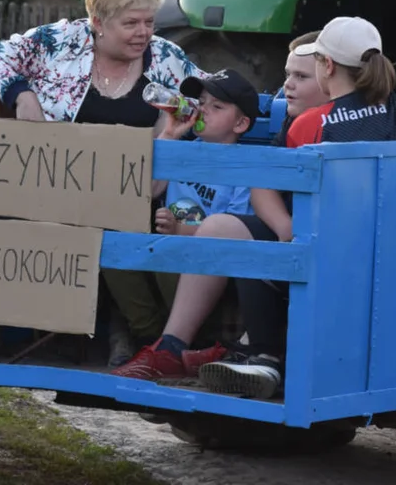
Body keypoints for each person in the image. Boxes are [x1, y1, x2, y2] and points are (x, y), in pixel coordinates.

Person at [196, 16, 396, 400]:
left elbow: (263, 185)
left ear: (327, 66)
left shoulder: (308, 124)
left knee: (255, 251)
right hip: (387, 257)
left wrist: (286, 228)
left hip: (325, 256)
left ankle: (265, 356)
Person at [0, 0, 206, 365]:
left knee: (119, 221)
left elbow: (207, 100)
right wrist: (22, 95)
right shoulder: (60, 42)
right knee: (28, 217)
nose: (144, 33)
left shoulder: (166, 57)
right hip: (54, 184)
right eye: (131, 24)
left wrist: (172, 133)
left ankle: (124, 333)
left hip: (137, 190)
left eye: (149, 22)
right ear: (98, 21)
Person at [111, 31, 330, 381]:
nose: (202, 112)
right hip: (173, 251)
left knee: (176, 247)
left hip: (204, 265)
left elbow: (230, 228)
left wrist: (184, 229)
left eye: (216, 107)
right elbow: (145, 192)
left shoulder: (240, 165)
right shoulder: (184, 147)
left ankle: (168, 343)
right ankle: (152, 338)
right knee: (115, 232)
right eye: (201, 104)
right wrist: (169, 135)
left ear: (241, 123)